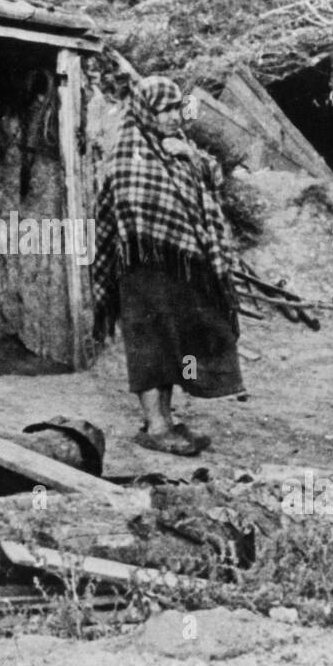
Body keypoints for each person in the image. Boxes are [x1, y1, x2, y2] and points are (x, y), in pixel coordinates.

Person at [92, 75, 244, 456]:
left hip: (179, 265)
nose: (174, 117)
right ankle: (157, 427)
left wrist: (189, 155)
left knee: (177, 341)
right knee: (150, 344)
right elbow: (131, 209)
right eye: (165, 110)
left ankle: (166, 419)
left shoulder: (176, 148)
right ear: (146, 112)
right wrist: (167, 241)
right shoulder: (130, 153)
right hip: (144, 265)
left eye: (178, 108)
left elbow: (214, 178)